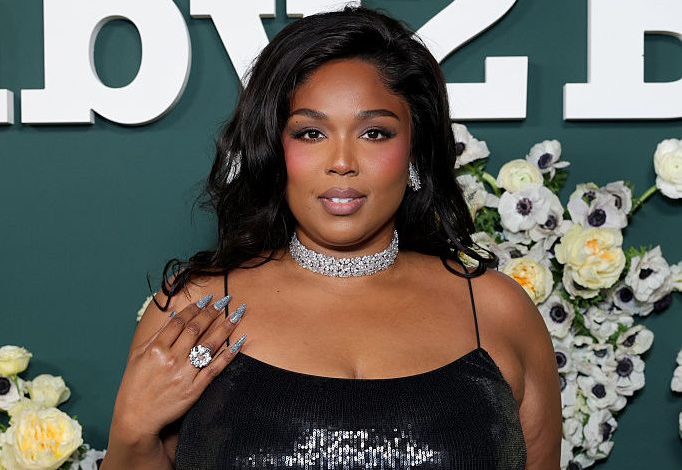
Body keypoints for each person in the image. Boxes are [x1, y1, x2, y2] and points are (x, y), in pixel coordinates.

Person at [101, 5, 561, 469]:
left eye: (375, 133)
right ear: (274, 149)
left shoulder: (497, 311)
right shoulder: (196, 312)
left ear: (414, 151)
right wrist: (131, 428)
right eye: (311, 133)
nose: (342, 162)